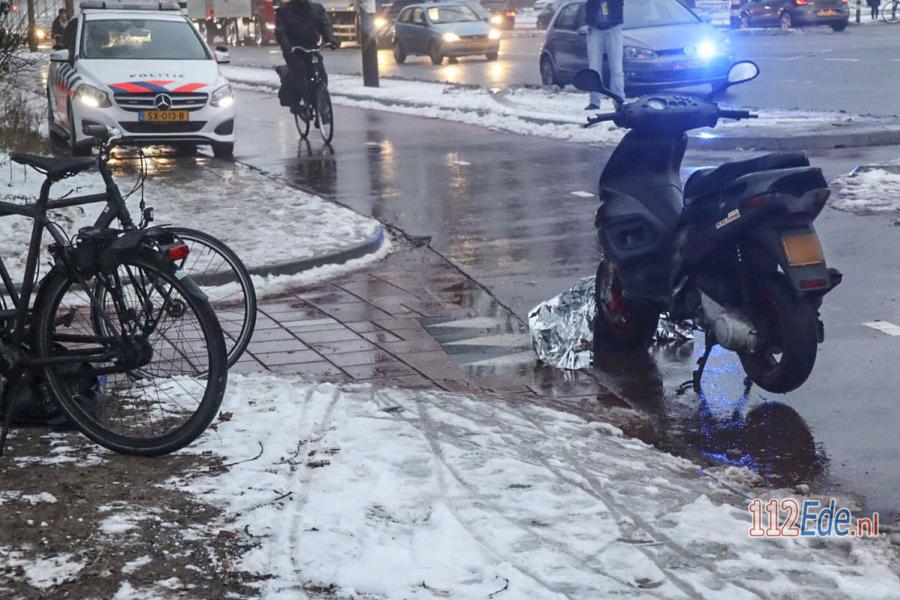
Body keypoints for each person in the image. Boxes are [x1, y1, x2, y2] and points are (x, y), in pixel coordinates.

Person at [275, 0, 336, 115]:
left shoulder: (316, 9)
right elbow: (280, 31)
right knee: (299, 78)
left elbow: (324, 24)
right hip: (294, 50)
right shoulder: (283, 11)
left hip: (311, 47)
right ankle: (295, 104)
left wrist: (330, 39)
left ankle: (322, 110)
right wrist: (287, 46)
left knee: (321, 75)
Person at [584, 0, 624, 109]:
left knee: (616, 67)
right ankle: (594, 101)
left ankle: (619, 99)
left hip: (614, 27)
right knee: (594, 68)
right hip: (595, 28)